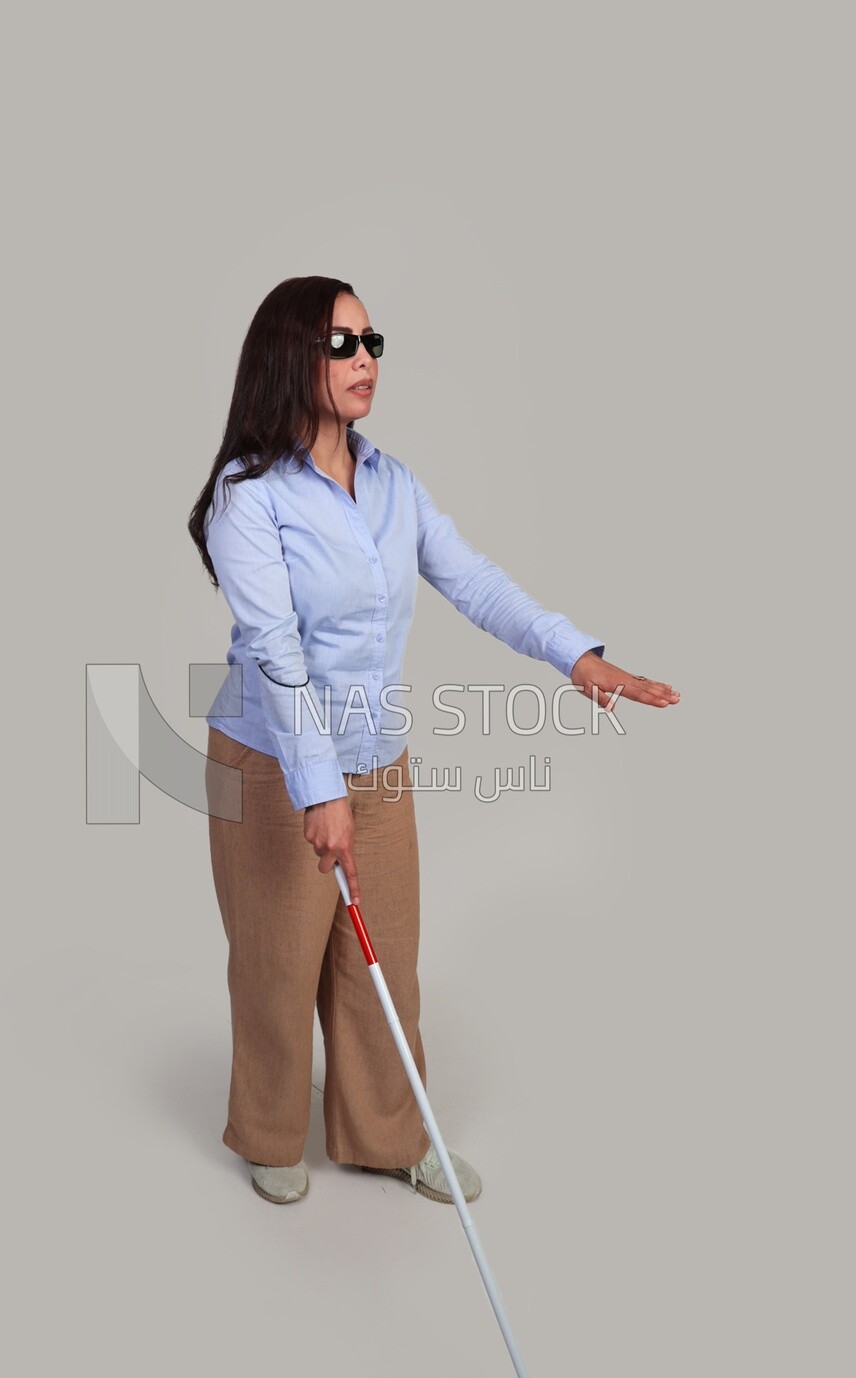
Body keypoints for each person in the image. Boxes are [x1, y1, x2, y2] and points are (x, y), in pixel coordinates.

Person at [187, 276, 679, 1206]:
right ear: (290, 355)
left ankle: (385, 1134)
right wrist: (317, 789)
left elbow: (478, 583)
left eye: (373, 342)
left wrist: (580, 659)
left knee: (385, 959)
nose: (365, 360)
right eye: (342, 345)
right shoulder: (248, 497)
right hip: (271, 763)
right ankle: (266, 1129)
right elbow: (278, 656)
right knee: (276, 959)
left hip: (376, 758)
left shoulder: (391, 483)